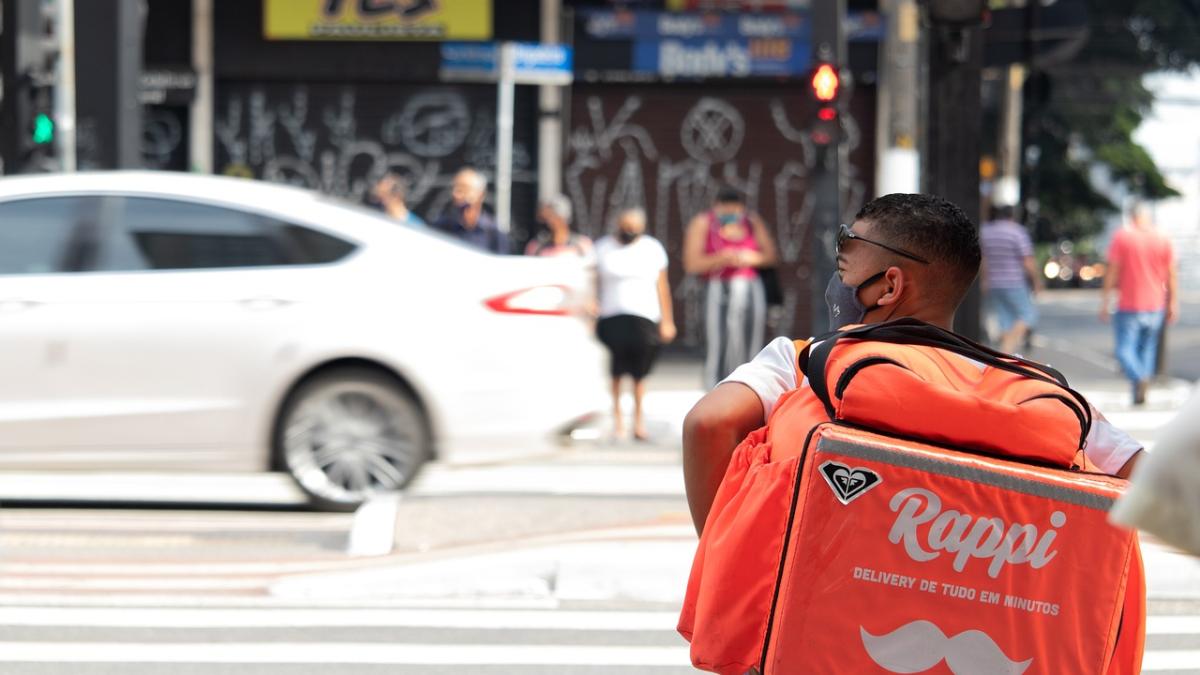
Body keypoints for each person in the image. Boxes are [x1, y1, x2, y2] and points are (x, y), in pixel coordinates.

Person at [683, 193, 1145, 533]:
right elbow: (1141, 476)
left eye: (847, 255)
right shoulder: (1028, 387)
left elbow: (707, 424)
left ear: (888, 287)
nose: (837, 275)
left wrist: (720, 556)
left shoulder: (802, 360)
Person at [683, 187, 779, 389]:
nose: (730, 216)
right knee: (719, 344)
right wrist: (721, 258)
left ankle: (749, 389)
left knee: (750, 344)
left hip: (749, 288)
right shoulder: (703, 223)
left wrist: (750, 257)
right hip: (717, 289)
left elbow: (770, 256)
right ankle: (715, 390)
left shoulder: (752, 222)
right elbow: (692, 264)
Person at [594, 207, 676, 441]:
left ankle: (639, 422)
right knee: (615, 373)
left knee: (640, 374)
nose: (629, 231)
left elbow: (663, 286)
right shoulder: (603, 248)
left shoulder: (652, 249)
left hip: (644, 317)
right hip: (611, 316)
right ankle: (618, 422)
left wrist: (667, 320)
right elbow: (593, 283)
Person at [1099, 201, 1179, 405]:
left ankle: (1138, 378)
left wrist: (1105, 300)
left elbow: (1113, 270)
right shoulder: (1163, 237)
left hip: (1129, 303)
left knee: (1124, 350)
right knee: (1147, 349)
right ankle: (1140, 389)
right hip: (1156, 303)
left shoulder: (1123, 236)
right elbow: (1171, 274)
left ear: (1131, 216)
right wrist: (1173, 302)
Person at [979, 203, 1041, 354]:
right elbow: (1028, 261)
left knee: (1005, 320)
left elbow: (983, 259)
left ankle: (1006, 354)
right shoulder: (1017, 232)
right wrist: (1037, 282)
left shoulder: (986, 232)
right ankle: (1009, 347)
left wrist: (984, 280)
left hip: (993, 283)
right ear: (1012, 216)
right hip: (1014, 282)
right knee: (1028, 316)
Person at [431, 168, 509, 254]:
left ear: (480, 194)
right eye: (454, 188)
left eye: (464, 188)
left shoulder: (493, 233)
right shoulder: (441, 228)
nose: (456, 194)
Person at [525, 194, 593, 260]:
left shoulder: (583, 245)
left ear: (563, 218)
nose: (546, 222)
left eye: (551, 217)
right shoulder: (536, 246)